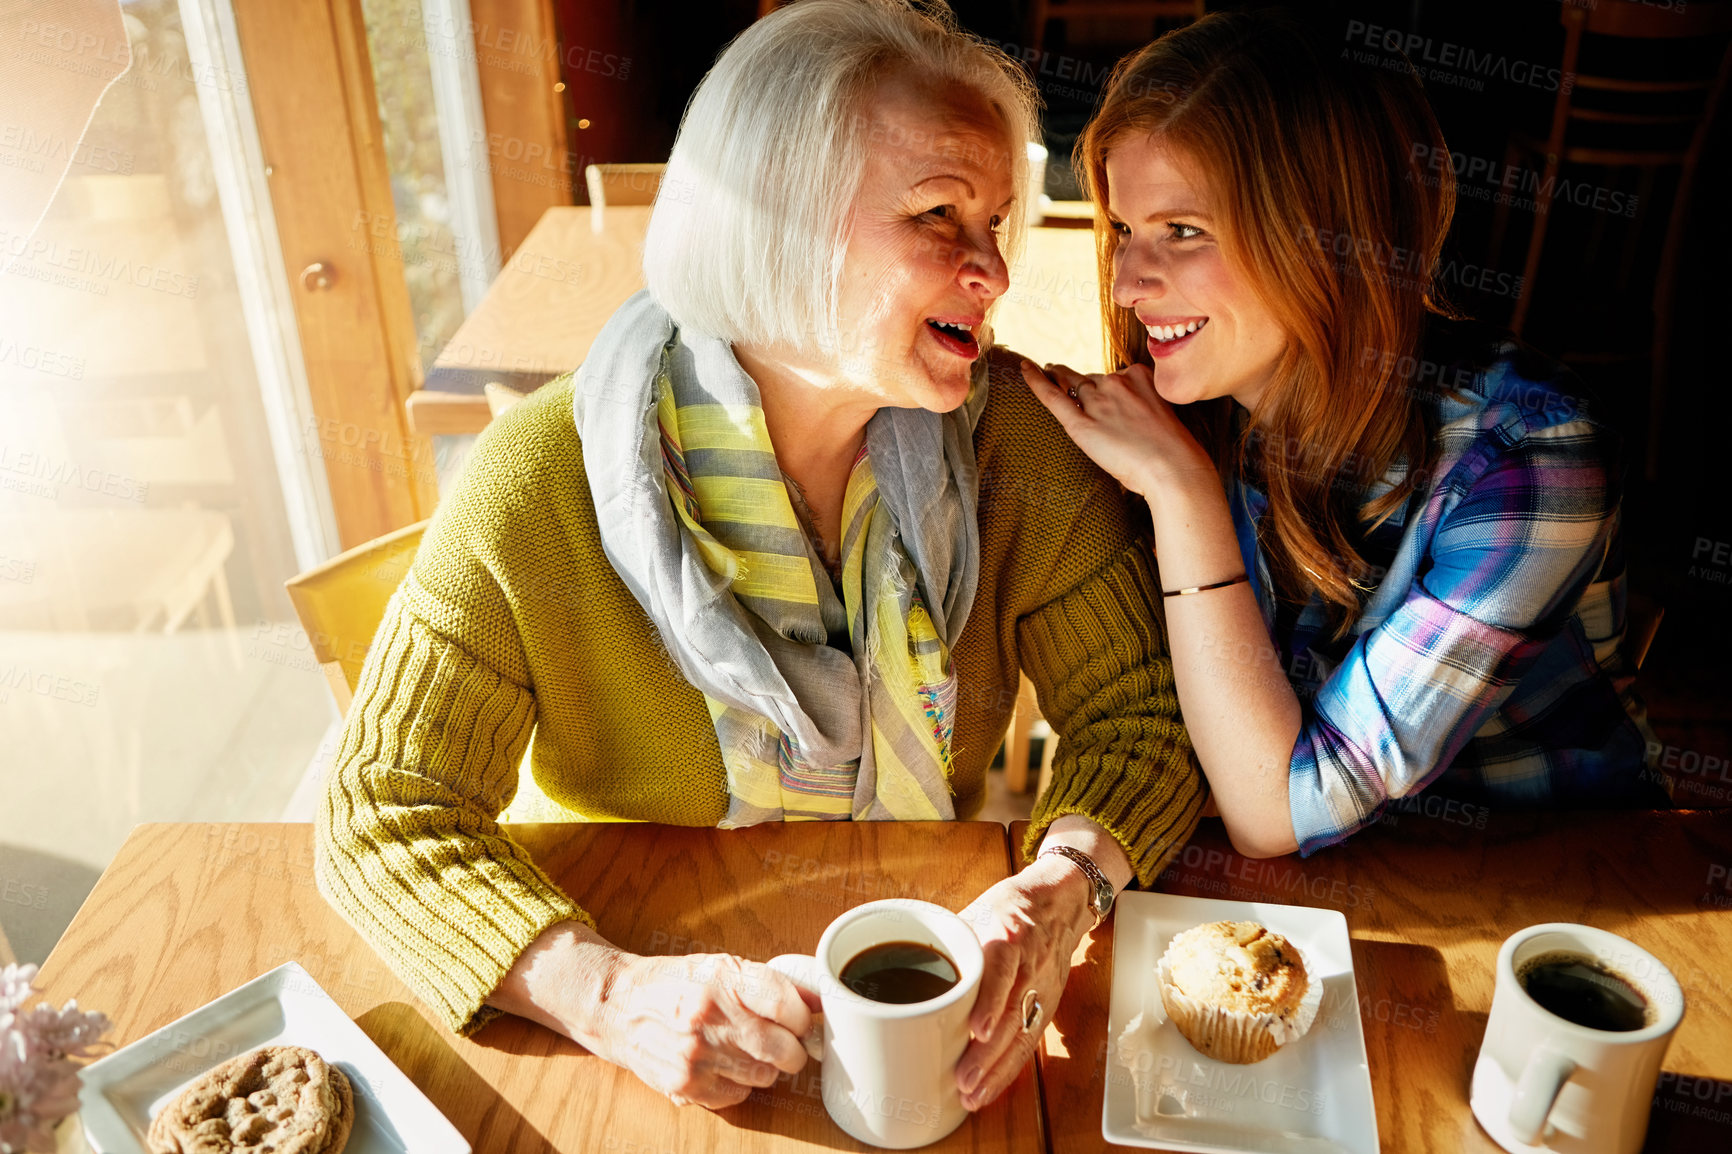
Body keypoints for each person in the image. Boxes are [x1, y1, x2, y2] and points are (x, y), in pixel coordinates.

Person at [315, 0, 1202, 1116]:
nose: (993, 269)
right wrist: (609, 994)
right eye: (938, 214)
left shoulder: (1013, 435)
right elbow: (382, 806)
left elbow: (1142, 711)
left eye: (996, 222)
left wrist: (1064, 886)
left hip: (929, 1006)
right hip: (645, 1016)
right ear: (770, 218)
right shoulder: (540, 475)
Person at [1024, 11, 1658, 862]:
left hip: (1548, 883)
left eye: (1184, 231)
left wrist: (1184, 499)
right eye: (1128, 232)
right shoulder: (1185, 417)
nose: (1129, 282)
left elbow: (1276, 811)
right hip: (1319, 889)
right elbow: (1166, 719)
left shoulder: (1529, 458)